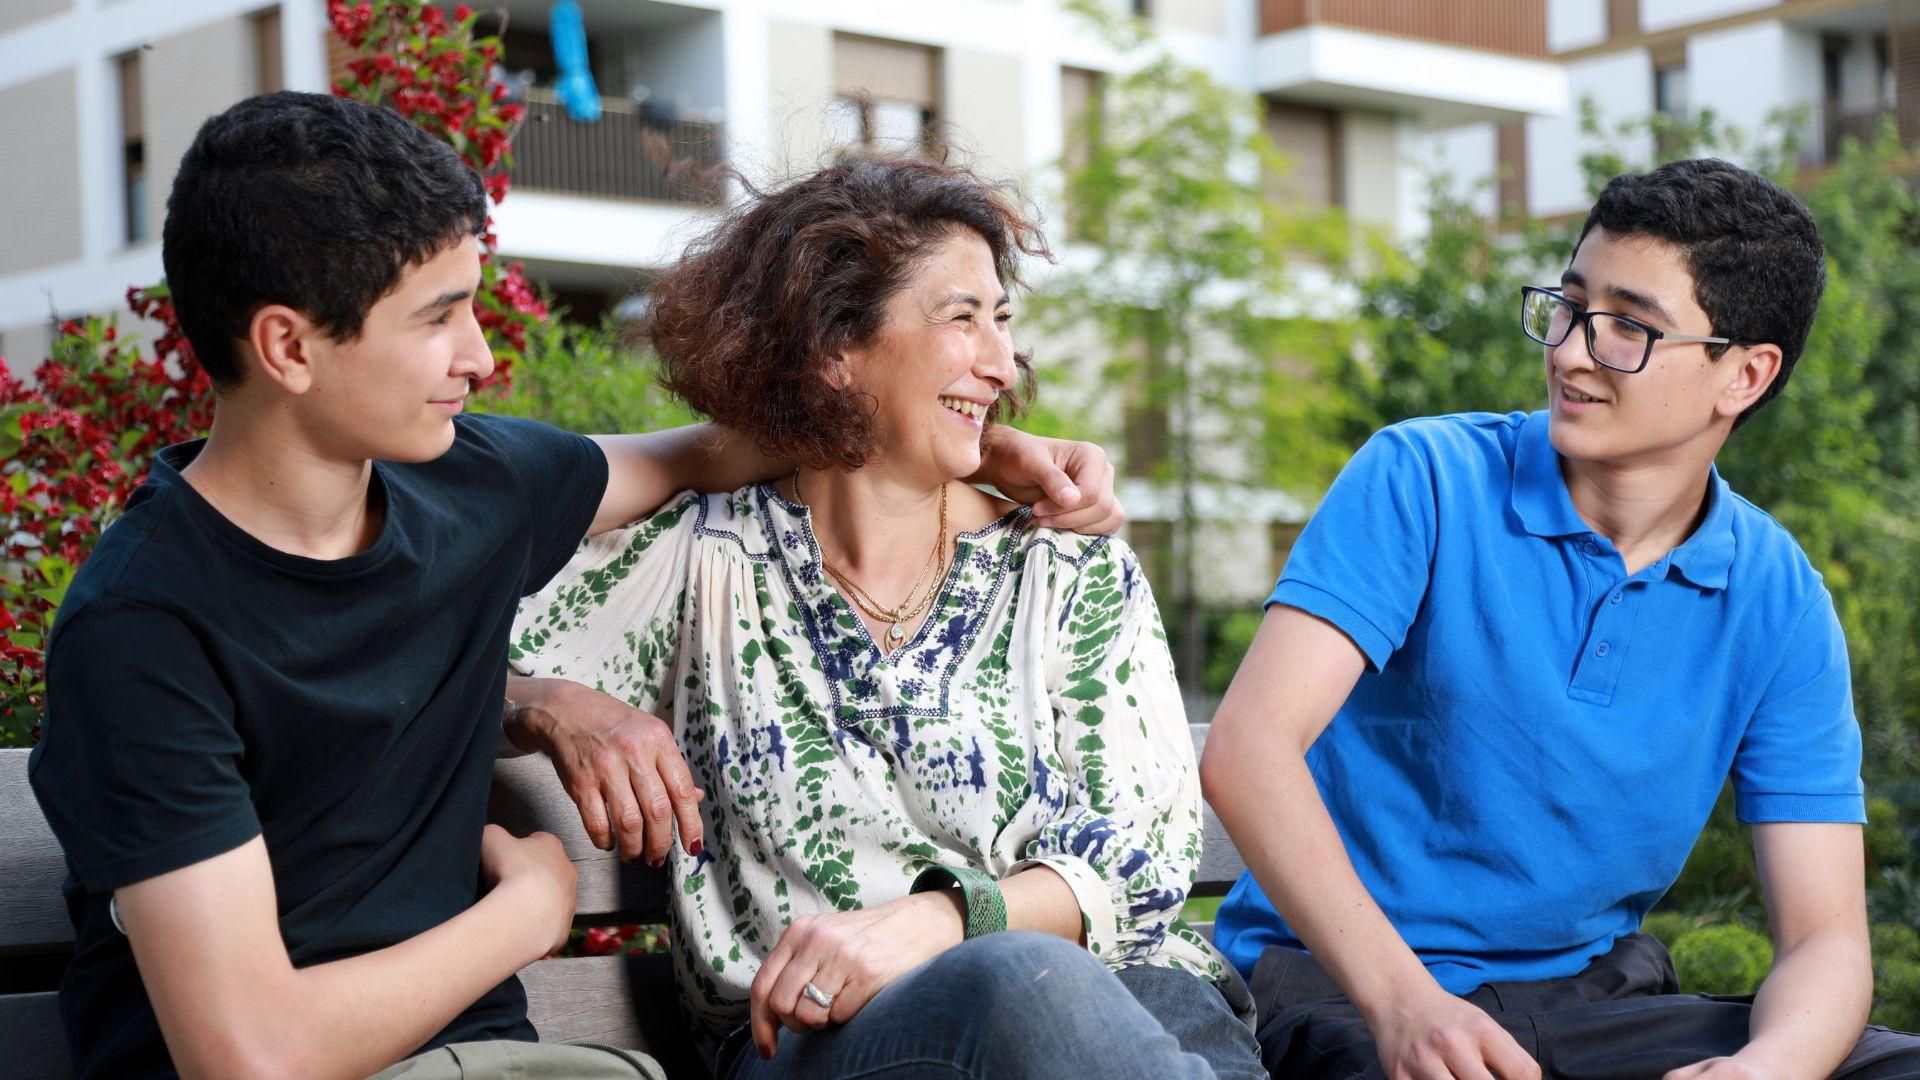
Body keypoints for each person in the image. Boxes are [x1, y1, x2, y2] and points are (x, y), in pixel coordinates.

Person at [25, 91, 1121, 1080]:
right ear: (288, 347)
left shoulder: (472, 485)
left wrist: (995, 455)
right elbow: (251, 1054)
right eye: (437, 316)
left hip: (492, 1063)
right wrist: (528, 909)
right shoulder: (143, 630)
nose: (481, 357)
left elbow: (707, 451)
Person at [504, 156, 1265, 1080]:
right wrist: (544, 700)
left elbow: (1144, 858)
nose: (1000, 361)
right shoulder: (702, 561)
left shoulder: (1066, 563)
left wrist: (945, 919)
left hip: (1130, 1004)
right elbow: (434, 548)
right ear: (834, 347)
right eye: (961, 319)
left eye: (1003, 320)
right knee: (1018, 982)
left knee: (1039, 983)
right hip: (829, 1045)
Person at [1202, 157, 1920, 1080]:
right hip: (1349, 995)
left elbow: (1826, 936)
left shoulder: (1778, 598)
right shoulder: (1424, 477)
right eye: (1571, 306)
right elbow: (1249, 746)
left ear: (1743, 375)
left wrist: (1764, 1069)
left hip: (1598, 1004)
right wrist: (1405, 1003)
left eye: (1629, 327)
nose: (1574, 351)